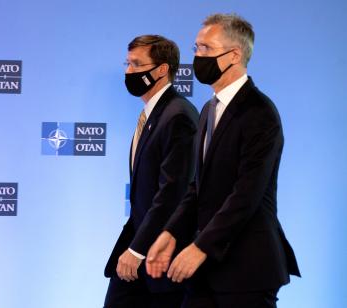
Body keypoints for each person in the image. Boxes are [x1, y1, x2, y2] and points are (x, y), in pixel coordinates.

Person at [146, 14, 300, 308]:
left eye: (206, 48)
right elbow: (197, 188)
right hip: (206, 272)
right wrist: (170, 233)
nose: (197, 56)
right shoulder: (207, 110)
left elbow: (247, 194)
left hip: (248, 270)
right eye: (195, 48)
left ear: (234, 55)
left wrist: (200, 247)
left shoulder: (260, 113)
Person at [103, 35, 199, 308]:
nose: (128, 71)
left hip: (160, 256)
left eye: (136, 64)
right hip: (140, 244)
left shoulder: (178, 115)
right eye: (127, 63)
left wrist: (138, 249)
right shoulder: (154, 113)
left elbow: (172, 193)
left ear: (161, 69)